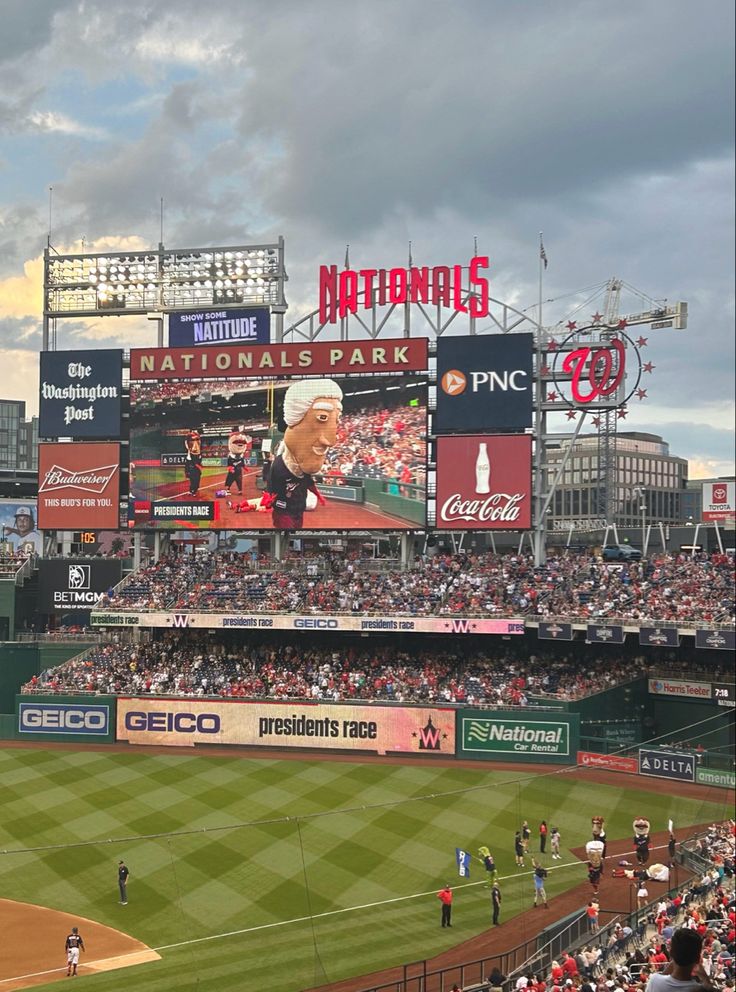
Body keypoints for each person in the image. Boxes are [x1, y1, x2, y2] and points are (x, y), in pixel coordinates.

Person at [268, 379, 343, 529]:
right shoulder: (279, 465)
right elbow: (271, 486)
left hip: (298, 509)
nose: (331, 441)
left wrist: (319, 495)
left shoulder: (303, 467)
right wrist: (268, 498)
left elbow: (309, 483)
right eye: (322, 417)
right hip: (283, 510)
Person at [645, 928, 716, 992]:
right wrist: (706, 979)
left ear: (671, 953)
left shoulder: (654, 982)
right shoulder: (700, 989)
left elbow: (659, 978)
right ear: (698, 959)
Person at [184, 429, 203, 496]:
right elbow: (187, 442)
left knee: (196, 479)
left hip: (196, 463)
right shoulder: (189, 444)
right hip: (192, 463)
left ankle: (194, 490)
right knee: (192, 478)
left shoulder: (198, 445)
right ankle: (192, 490)